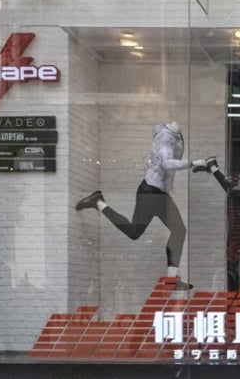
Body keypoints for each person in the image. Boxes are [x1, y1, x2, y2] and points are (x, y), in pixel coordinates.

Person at [75, 122, 216, 289]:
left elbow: (158, 163)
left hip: (159, 194)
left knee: (178, 230)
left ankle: (172, 280)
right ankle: (98, 202)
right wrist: (193, 163)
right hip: (150, 193)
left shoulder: (174, 135)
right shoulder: (166, 136)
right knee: (135, 232)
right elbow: (167, 163)